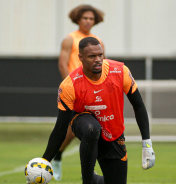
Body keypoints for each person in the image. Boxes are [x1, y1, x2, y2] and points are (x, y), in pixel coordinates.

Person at [42, 37, 155, 184]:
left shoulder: (120, 71)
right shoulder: (70, 85)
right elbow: (60, 129)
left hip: (113, 133)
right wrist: (44, 162)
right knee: (91, 128)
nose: (98, 60)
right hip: (83, 122)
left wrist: (147, 143)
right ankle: (87, 180)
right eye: (92, 56)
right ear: (80, 58)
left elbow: (138, 106)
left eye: (100, 55)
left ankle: (95, 180)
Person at [53, 4, 105, 181]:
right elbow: (62, 63)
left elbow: (103, 67)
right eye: (85, 18)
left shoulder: (97, 41)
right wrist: (72, 88)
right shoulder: (70, 39)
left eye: (91, 18)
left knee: (92, 129)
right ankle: (59, 157)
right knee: (76, 129)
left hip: (95, 92)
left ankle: (61, 157)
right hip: (75, 92)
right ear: (78, 19)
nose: (88, 21)